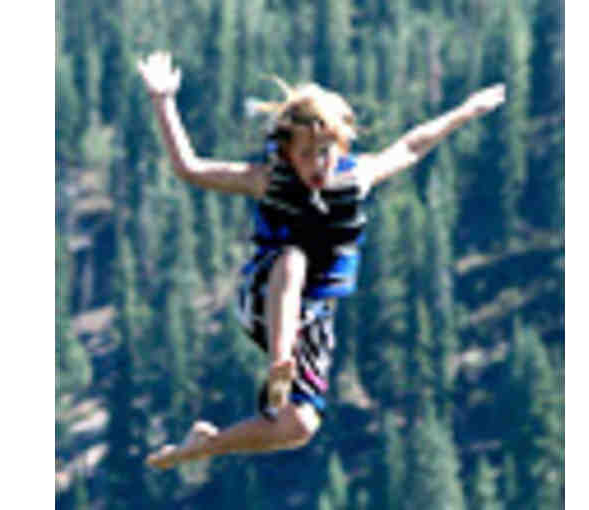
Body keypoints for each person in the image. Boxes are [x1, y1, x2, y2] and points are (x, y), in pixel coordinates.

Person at [138, 51, 505, 469]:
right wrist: (162, 101)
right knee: (293, 258)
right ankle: (280, 361)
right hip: (264, 295)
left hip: (313, 313)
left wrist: (467, 110)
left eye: (326, 151)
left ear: (342, 145)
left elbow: (411, 146)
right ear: (287, 153)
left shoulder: (356, 176)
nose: (318, 164)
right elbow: (189, 168)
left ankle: (206, 444)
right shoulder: (267, 180)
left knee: (299, 427)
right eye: (307, 154)